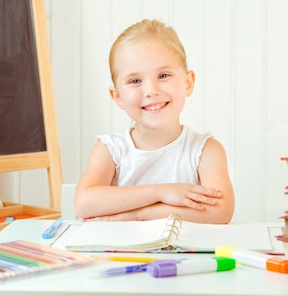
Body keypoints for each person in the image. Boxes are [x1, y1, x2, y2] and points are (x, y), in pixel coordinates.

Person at [74, 19, 234, 223]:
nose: (151, 90)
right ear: (118, 97)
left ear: (188, 83)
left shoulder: (206, 150)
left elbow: (220, 211)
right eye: (135, 81)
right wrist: (161, 192)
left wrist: (139, 215)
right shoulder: (110, 150)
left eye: (163, 75)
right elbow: (84, 204)